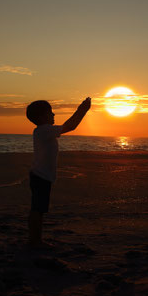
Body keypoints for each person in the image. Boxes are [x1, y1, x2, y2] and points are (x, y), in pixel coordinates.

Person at [25, 97, 91, 248]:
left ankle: (35, 239)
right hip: (40, 176)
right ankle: (34, 241)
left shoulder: (43, 131)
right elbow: (70, 126)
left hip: (41, 176)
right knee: (37, 209)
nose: (54, 115)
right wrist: (82, 110)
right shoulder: (44, 130)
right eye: (51, 113)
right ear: (42, 117)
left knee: (39, 209)